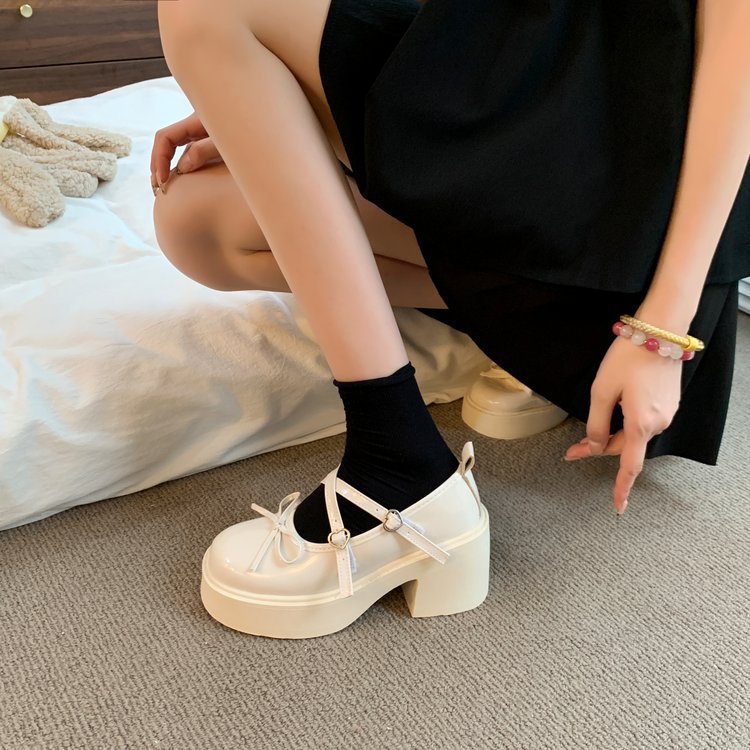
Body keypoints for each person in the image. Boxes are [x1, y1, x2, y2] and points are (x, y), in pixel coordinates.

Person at [151, 0, 750, 639]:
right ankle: (512, 328)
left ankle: (399, 460)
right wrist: (263, 106)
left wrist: (661, 331)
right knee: (194, 222)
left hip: (630, 219)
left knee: (204, 7)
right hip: (535, 127)